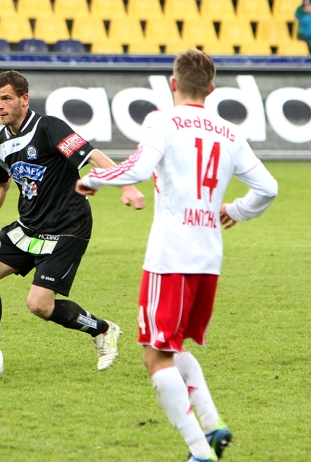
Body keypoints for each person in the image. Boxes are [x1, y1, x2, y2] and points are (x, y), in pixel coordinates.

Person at [77, 50, 278, 461]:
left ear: (173, 84)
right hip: (209, 258)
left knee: (155, 354)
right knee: (174, 346)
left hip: (170, 257)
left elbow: (136, 167)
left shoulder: (162, 120)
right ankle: (213, 426)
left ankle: (199, 452)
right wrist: (236, 210)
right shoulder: (230, 132)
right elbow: (269, 188)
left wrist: (93, 178)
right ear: (212, 89)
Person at [0, 70, 146, 373]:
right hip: (30, 226)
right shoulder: (0, 142)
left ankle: (103, 330)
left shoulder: (49, 127)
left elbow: (92, 155)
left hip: (68, 227)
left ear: (24, 100)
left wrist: (127, 185)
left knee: (39, 305)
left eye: (7, 99)